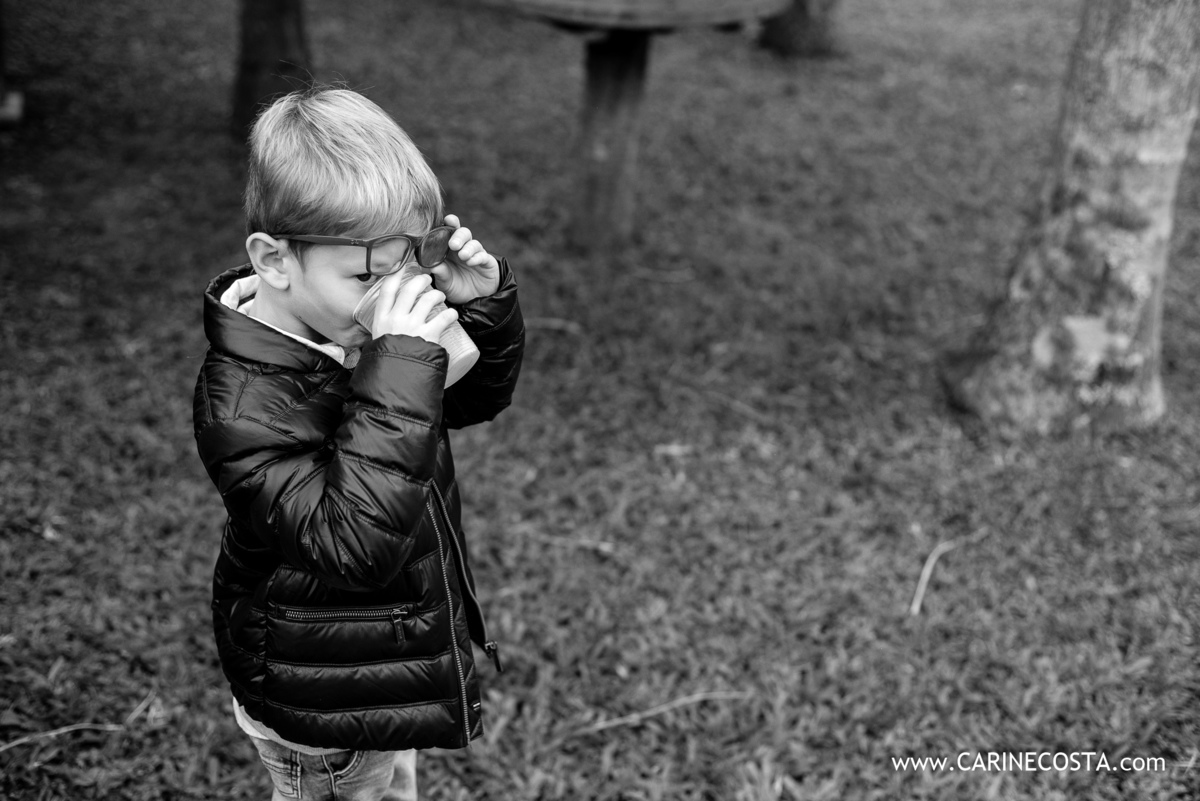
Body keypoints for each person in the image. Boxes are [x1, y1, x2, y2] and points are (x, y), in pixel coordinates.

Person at [192, 86, 524, 801]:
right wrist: (399, 361)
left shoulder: (349, 328)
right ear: (273, 260)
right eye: (369, 276)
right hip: (321, 698)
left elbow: (470, 399)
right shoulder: (244, 404)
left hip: (381, 666)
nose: (389, 294)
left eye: (405, 266)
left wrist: (480, 306)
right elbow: (352, 545)